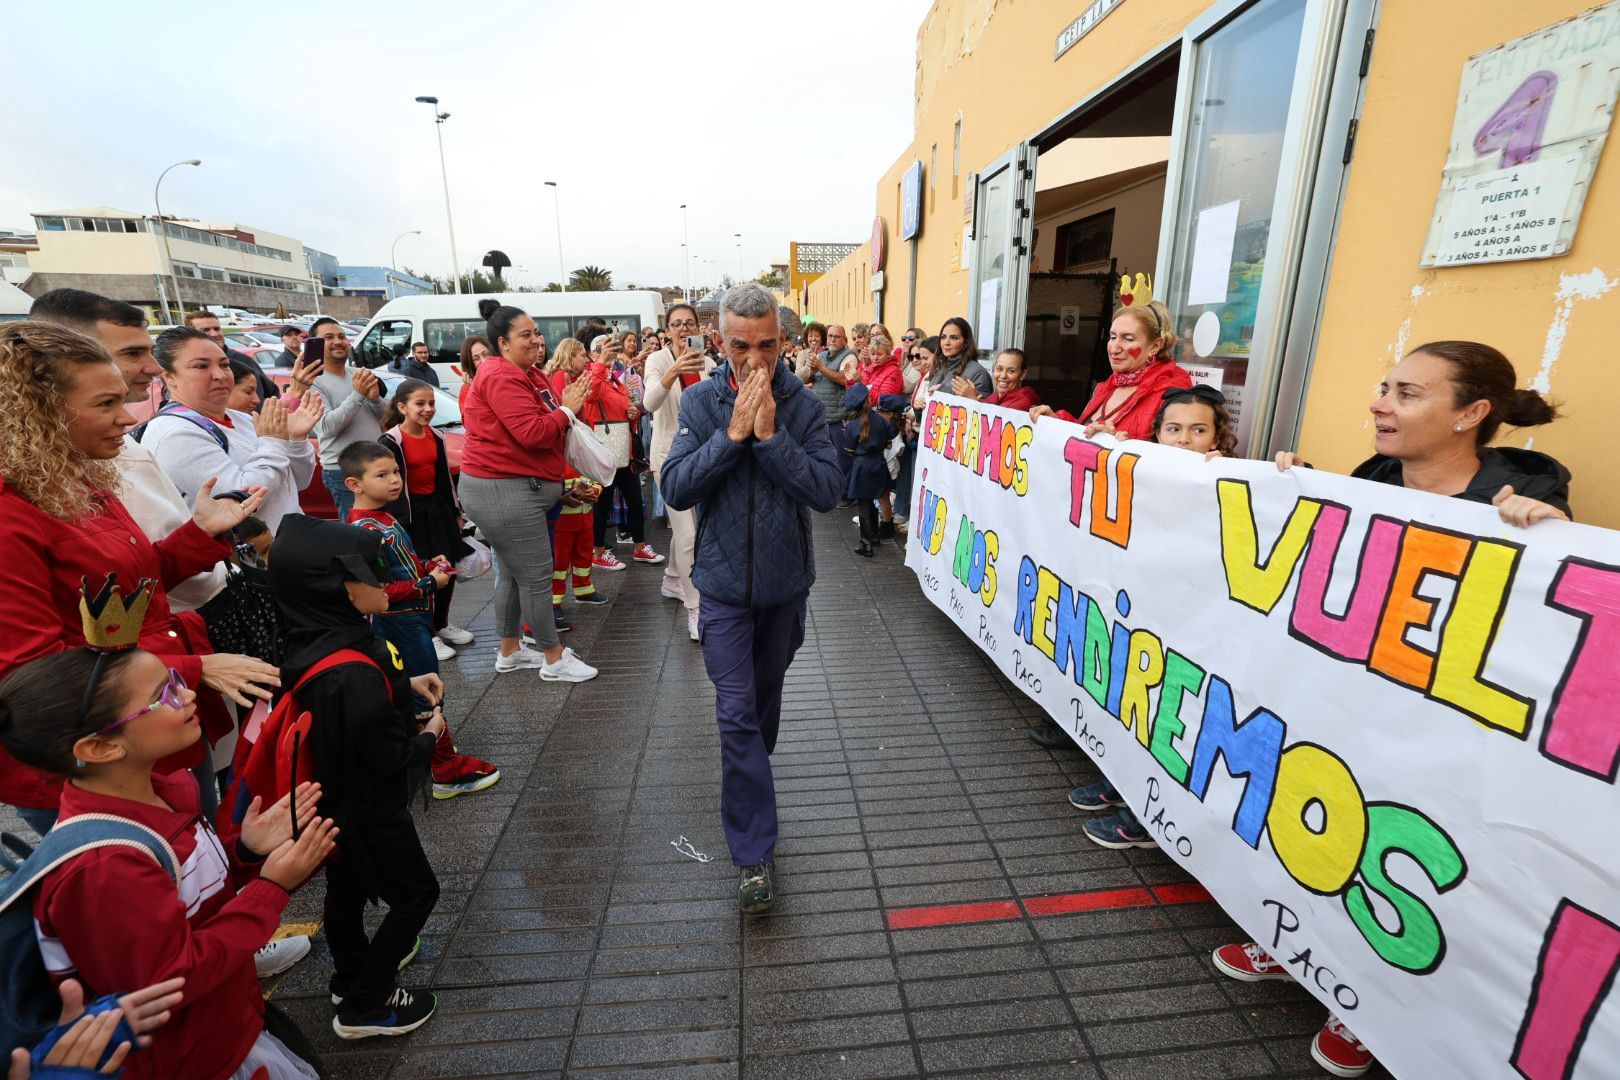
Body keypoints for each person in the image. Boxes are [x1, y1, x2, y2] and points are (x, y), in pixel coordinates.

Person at [1216, 340, 1570, 1080]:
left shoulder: (1522, 509)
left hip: (1439, 738)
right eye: (1385, 386)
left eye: (1407, 393)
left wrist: (1550, 531)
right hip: (1348, 709)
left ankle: (1376, 1002)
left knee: (1401, 858)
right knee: (1319, 823)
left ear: (1471, 414)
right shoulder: (1374, 478)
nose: (1380, 402)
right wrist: (1298, 496)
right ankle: (1299, 942)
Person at [0, 639, 336, 1079]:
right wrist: (269, 891)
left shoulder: (160, 795)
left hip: (226, 1026)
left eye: (175, 679)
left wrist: (247, 854)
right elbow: (170, 980)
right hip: (197, 1060)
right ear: (100, 748)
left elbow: (187, 902)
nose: (189, 693)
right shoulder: (103, 866)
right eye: (164, 694)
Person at [661, 284, 844, 914]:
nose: (754, 359)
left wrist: (770, 437)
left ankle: (750, 769)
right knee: (735, 713)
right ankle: (753, 854)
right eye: (741, 345)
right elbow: (677, 487)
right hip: (722, 590)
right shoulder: (701, 402)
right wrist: (732, 435)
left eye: (767, 345)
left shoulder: (804, 407)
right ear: (720, 340)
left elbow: (826, 491)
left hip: (784, 588)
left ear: (783, 340)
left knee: (760, 710)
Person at [267, 515, 443, 1040]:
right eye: (371, 577)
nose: (384, 586)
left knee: (346, 888)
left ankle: (349, 974)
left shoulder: (315, 637)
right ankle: (365, 1004)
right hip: (372, 808)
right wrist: (429, 736)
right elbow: (389, 757)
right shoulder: (355, 672)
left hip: (335, 803)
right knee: (416, 895)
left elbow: (341, 707)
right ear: (338, 590)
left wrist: (404, 682)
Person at [26, 290, 232, 615]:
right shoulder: (28, 488)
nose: (154, 368)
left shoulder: (107, 442)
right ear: (67, 356)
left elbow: (143, 570)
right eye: (133, 353)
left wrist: (201, 533)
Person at [340, 442, 499, 801]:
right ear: (354, 484)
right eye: (382, 475)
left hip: (413, 618)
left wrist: (427, 564)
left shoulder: (382, 516)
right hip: (399, 621)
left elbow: (404, 561)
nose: (394, 481)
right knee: (426, 693)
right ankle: (443, 768)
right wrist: (429, 582)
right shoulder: (364, 530)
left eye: (396, 472)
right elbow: (377, 592)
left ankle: (427, 758)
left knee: (421, 689)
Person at [456, 302, 598, 682]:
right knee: (536, 577)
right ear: (502, 343)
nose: (537, 340)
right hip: (504, 492)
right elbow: (533, 433)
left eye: (537, 332)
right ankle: (554, 658)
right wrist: (567, 411)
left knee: (516, 577)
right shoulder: (501, 375)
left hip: (517, 490)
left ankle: (509, 650)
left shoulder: (524, 373)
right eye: (526, 335)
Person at [141, 327, 322, 533]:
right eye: (201, 366)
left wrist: (296, 439)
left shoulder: (242, 418)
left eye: (224, 364)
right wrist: (273, 441)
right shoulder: (173, 434)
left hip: (292, 540)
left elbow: (298, 482)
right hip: (250, 557)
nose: (219, 375)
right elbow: (243, 501)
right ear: (169, 376)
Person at [379, 379, 475, 657]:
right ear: (402, 407)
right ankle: (426, 633)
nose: (428, 409)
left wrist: (456, 513)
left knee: (447, 568)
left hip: (438, 510)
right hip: (409, 514)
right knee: (420, 573)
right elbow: (389, 483)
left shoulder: (437, 436)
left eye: (431, 403)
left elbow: (444, 479)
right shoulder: (390, 440)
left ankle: (442, 624)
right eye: (420, 403)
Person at [553, 336, 663, 570]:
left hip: (621, 446)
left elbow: (620, 405)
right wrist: (601, 363)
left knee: (635, 497)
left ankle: (640, 545)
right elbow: (592, 394)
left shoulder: (613, 378)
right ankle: (598, 550)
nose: (611, 356)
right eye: (601, 352)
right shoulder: (595, 375)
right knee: (602, 501)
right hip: (604, 447)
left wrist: (632, 412)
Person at [643, 304, 715, 641]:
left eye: (689, 323)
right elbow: (650, 403)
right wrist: (675, 369)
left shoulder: (708, 363)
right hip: (669, 459)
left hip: (701, 457)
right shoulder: (657, 361)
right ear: (666, 330)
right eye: (676, 324)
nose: (683, 329)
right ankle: (695, 609)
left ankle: (673, 577)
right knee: (688, 535)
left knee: (685, 526)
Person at [1029, 300, 1193, 440]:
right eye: (1113, 337)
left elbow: (1176, 459)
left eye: (1128, 339)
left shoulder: (1173, 395)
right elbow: (1086, 434)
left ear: (1155, 346)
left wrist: (1116, 445)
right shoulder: (1105, 387)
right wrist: (1057, 422)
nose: (1114, 348)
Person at [304, 317, 387, 521]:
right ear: (315, 344)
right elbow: (326, 427)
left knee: (383, 528)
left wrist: (375, 399)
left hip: (377, 465)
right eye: (329, 337)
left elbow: (386, 420)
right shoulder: (312, 381)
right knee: (358, 531)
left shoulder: (358, 374)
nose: (338, 341)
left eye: (342, 336)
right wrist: (357, 395)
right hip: (343, 471)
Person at [842, 384, 896, 558]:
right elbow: (889, 442)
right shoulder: (880, 420)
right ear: (868, 400)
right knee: (875, 500)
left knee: (864, 504)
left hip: (862, 465)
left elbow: (849, 451)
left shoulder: (852, 425)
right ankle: (874, 536)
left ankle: (866, 544)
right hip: (879, 463)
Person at [184, 311, 278, 405]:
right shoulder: (183, 365)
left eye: (217, 329)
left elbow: (271, 393)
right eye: (205, 330)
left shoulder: (242, 361)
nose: (214, 334)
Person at [927, 317, 994, 397]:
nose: (946, 342)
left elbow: (982, 407)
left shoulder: (978, 373)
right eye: (943, 337)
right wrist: (920, 406)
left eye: (954, 338)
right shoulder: (940, 366)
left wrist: (942, 393)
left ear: (965, 343)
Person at [455, 335, 490, 410]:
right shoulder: (467, 389)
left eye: (486, 354)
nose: (484, 361)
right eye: (476, 359)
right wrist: (474, 390)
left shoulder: (504, 378)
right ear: (469, 364)